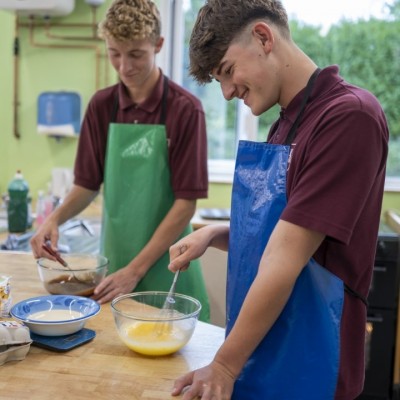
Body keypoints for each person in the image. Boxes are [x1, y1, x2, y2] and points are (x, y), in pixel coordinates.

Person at [168, 0, 389, 399]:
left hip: (314, 357)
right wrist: (216, 234)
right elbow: (278, 232)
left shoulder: (349, 117)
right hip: (268, 348)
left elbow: (285, 256)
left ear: (263, 37)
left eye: (228, 71)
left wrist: (223, 364)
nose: (228, 91)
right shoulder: (286, 123)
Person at [30, 0, 210, 322]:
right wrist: (53, 219)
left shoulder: (186, 110)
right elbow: (86, 185)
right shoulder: (101, 106)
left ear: (158, 45)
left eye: (136, 54)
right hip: (115, 268)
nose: (124, 66)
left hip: (168, 267)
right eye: (115, 53)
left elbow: (186, 204)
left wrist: (136, 271)